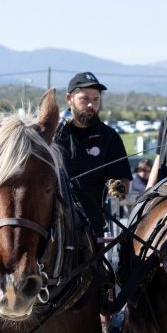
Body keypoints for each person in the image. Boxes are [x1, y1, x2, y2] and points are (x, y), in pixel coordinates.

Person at [54, 72, 131, 239]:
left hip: (94, 215)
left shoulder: (110, 137)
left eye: (96, 99)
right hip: (55, 212)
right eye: (85, 98)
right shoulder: (54, 134)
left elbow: (123, 180)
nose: (91, 104)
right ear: (69, 98)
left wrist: (119, 188)